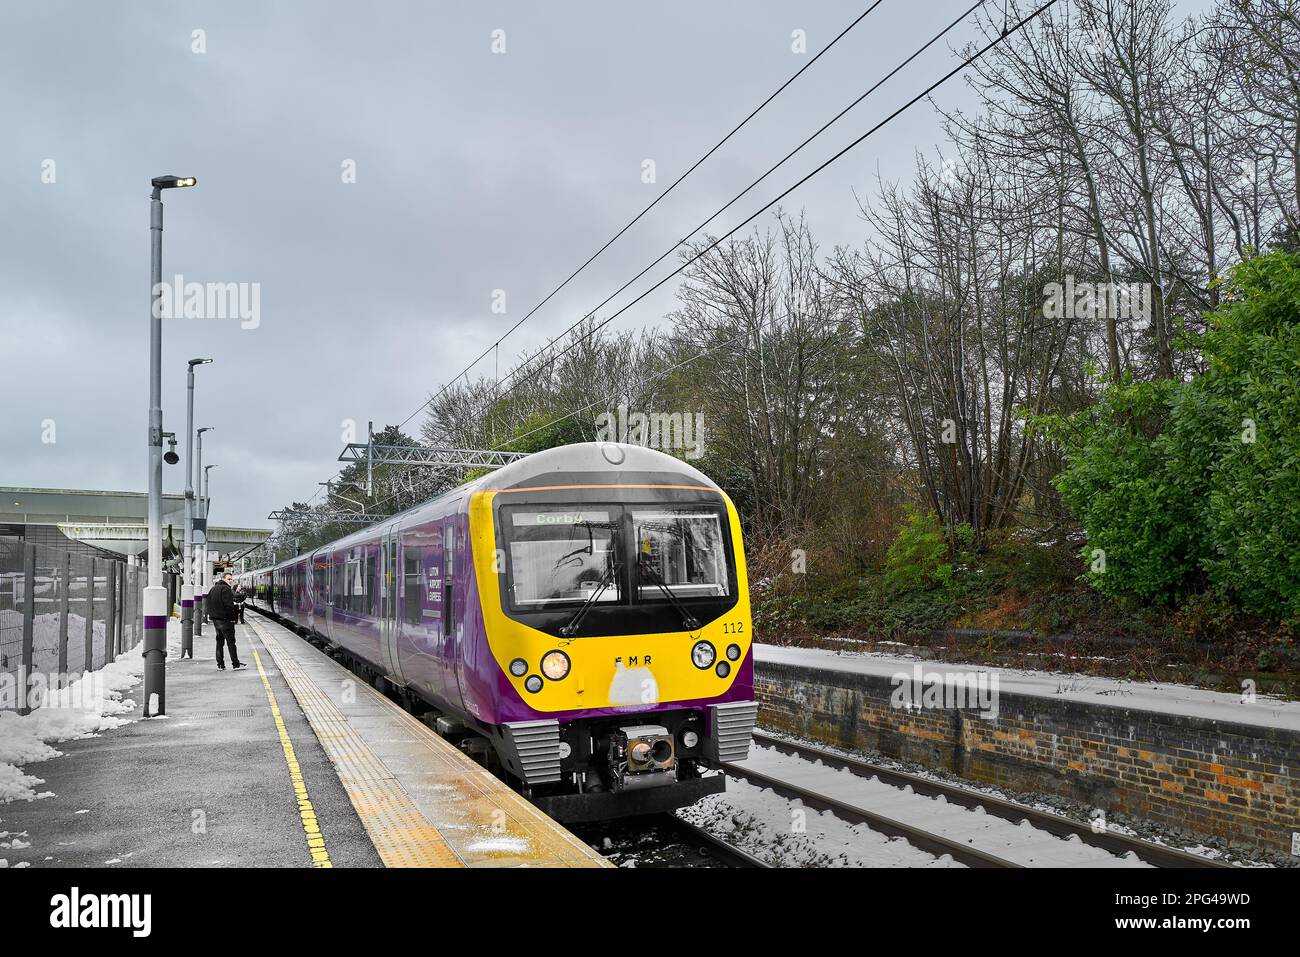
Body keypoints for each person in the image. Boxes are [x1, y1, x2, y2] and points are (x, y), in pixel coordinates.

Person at [208, 571, 247, 671]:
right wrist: (232, 619)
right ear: (224, 579)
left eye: (231, 579)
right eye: (229, 579)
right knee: (231, 642)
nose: (231, 581)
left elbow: (208, 604)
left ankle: (220, 664)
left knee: (219, 642)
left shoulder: (213, 589)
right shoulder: (226, 589)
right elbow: (229, 606)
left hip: (216, 621)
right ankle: (235, 664)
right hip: (226, 621)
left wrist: (212, 617)